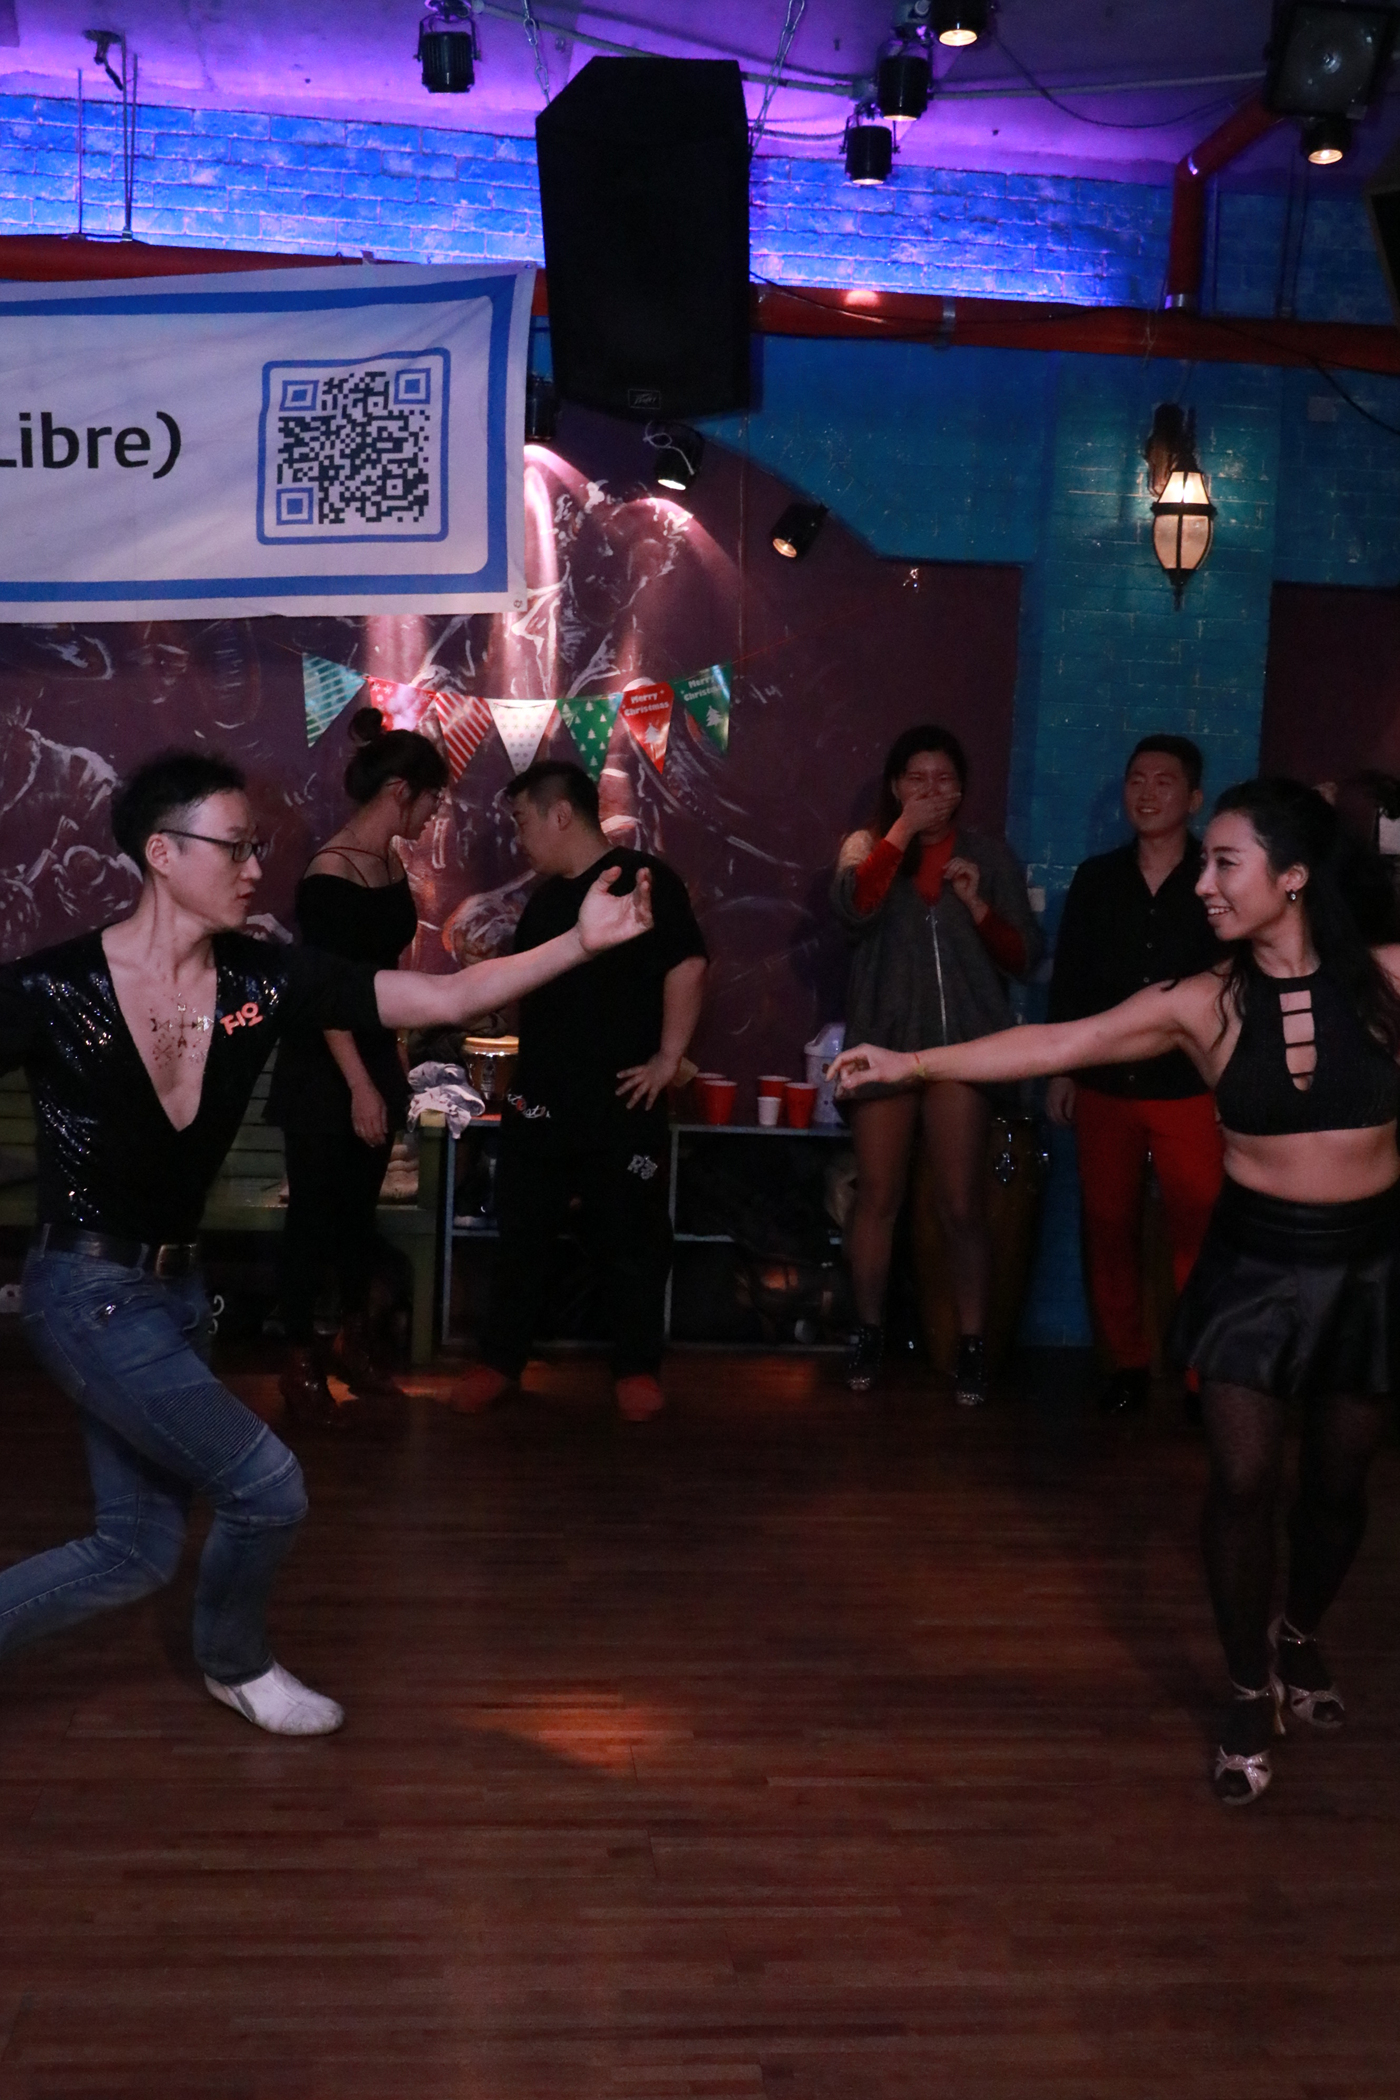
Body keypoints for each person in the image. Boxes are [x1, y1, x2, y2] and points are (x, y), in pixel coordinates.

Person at [0, 749, 652, 1736]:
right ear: (163, 854)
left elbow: (440, 1000)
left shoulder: (263, 980)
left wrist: (581, 943)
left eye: (257, 847)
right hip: (84, 1293)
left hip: (177, 1299)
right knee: (267, 1486)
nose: (256, 868)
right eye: (235, 848)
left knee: (135, 1549)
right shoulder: (52, 989)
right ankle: (235, 1663)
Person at [831, 778, 1400, 1806]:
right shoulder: (1200, 1002)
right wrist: (910, 1062)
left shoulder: (1387, 982)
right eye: (1204, 863)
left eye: (1224, 863)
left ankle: (1298, 1634)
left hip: (1365, 1271)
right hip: (1253, 1271)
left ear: (1293, 876)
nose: (1204, 883)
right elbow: (1059, 1042)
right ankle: (1246, 1689)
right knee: (1241, 1483)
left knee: (1334, 1489)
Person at [452, 760, 707, 1423]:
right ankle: (499, 1361)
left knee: (631, 1236)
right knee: (522, 1231)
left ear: (560, 814)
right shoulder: (543, 901)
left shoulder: (644, 879)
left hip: (622, 1099)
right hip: (538, 1098)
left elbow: (687, 964)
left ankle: (636, 1369)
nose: (518, 837)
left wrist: (668, 1058)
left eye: (522, 821)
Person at [831, 725, 1040, 1406]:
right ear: (896, 787)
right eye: (916, 779)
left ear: (962, 788)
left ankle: (974, 1343)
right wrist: (898, 834)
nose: (931, 791)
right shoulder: (865, 848)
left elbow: (1024, 957)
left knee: (960, 1202)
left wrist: (978, 905)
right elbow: (853, 912)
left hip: (962, 1049)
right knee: (878, 1196)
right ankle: (867, 1333)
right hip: (883, 1044)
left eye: (944, 779)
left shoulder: (989, 854)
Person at [266, 708, 448, 1429]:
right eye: (432, 799)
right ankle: (298, 1358)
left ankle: (351, 1341)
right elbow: (324, 992)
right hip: (325, 1065)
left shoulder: (391, 863)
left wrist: (392, 1052)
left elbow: (382, 974)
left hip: (373, 1053)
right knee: (313, 1215)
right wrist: (360, 1084)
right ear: (401, 791)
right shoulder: (329, 873)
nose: (435, 814)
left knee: (355, 1213)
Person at [1046, 736, 1224, 1412]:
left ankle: (1202, 1376)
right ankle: (1123, 1364)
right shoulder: (1097, 879)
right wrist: (1063, 1070)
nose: (1147, 794)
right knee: (1107, 1223)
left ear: (1194, 798)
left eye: (1164, 781)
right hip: (1107, 1081)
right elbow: (1071, 978)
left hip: (1189, 1082)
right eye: (1136, 780)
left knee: (1199, 1227)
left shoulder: (1217, 879)